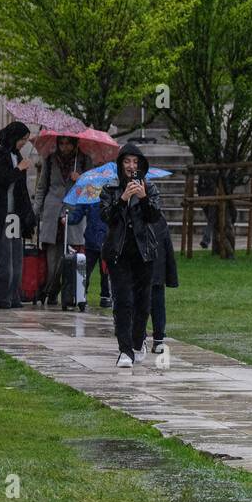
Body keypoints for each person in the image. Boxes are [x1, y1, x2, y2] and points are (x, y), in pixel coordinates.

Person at [99, 141, 163, 368]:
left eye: (135, 162)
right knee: (123, 301)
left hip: (144, 252)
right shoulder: (110, 188)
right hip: (119, 252)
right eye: (126, 161)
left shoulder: (150, 187)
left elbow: (154, 217)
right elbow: (107, 217)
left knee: (142, 302)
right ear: (120, 164)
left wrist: (143, 197)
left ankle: (138, 342)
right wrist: (123, 198)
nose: (131, 166)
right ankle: (124, 350)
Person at [0, 121, 37, 310]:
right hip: (1, 213)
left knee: (15, 258)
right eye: (22, 139)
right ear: (14, 137)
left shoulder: (16, 155)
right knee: (3, 257)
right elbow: (1, 179)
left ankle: (13, 296)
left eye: (27, 140)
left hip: (15, 215)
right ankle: (0, 298)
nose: (24, 143)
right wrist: (18, 169)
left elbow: (20, 190)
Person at [33, 135, 91, 309]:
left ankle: (66, 293)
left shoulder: (83, 160)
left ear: (75, 145)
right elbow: (42, 187)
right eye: (61, 143)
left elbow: (92, 188)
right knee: (52, 259)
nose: (64, 147)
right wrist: (35, 211)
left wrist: (80, 179)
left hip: (73, 213)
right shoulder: (50, 160)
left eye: (68, 144)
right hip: (52, 213)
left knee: (70, 257)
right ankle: (51, 292)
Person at [141, 215, 179, 357]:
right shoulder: (159, 219)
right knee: (157, 306)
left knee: (143, 305)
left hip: (147, 270)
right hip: (157, 271)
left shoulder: (136, 216)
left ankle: (145, 338)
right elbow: (167, 247)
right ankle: (158, 340)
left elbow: (167, 246)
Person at [67, 199, 111, 309]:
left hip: (105, 239)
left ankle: (105, 296)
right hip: (93, 239)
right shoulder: (89, 197)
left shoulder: (108, 195)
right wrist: (68, 218)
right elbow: (78, 214)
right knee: (86, 270)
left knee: (105, 271)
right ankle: (82, 295)